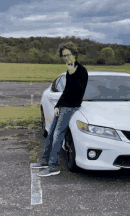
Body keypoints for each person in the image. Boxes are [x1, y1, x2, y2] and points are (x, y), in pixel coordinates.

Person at [31, 41, 88, 176]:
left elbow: (78, 91)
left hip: (71, 107)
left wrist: (72, 71)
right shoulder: (69, 72)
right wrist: (57, 105)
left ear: (74, 54)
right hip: (63, 106)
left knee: (58, 134)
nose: (66, 58)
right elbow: (66, 91)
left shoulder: (81, 71)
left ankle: (54, 166)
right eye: (64, 56)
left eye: (68, 55)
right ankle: (45, 161)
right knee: (50, 133)